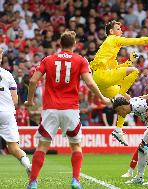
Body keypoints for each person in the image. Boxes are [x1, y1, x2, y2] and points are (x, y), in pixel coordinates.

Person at [25, 31, 110, 189]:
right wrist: (102, 98)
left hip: (50, 108)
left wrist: (30, 101)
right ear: (75, 44)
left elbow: (33, 80)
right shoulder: (80, 60)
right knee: (76, 145)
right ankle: (75, 181)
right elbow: (90, 83)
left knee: (42, 146)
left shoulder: (48, 59)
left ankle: (33, 182)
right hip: (70, 109)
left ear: (59, 43)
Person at [90, 20, 148, 146]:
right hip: (101, 76)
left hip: (101, 80)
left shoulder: (110, 51)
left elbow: (116, 70)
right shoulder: (113, 39)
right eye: (118, 28)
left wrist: (129, 61)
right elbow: (136, 41)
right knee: (135, 71)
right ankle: (121, 94)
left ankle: (118, 129)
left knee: (126, 102)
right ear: (111, 31)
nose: (121, 30)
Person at [0, 47, 32, 176]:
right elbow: (15, 99)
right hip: (6, 113)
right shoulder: (8, 75)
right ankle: (28, 165)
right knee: (13, 147)